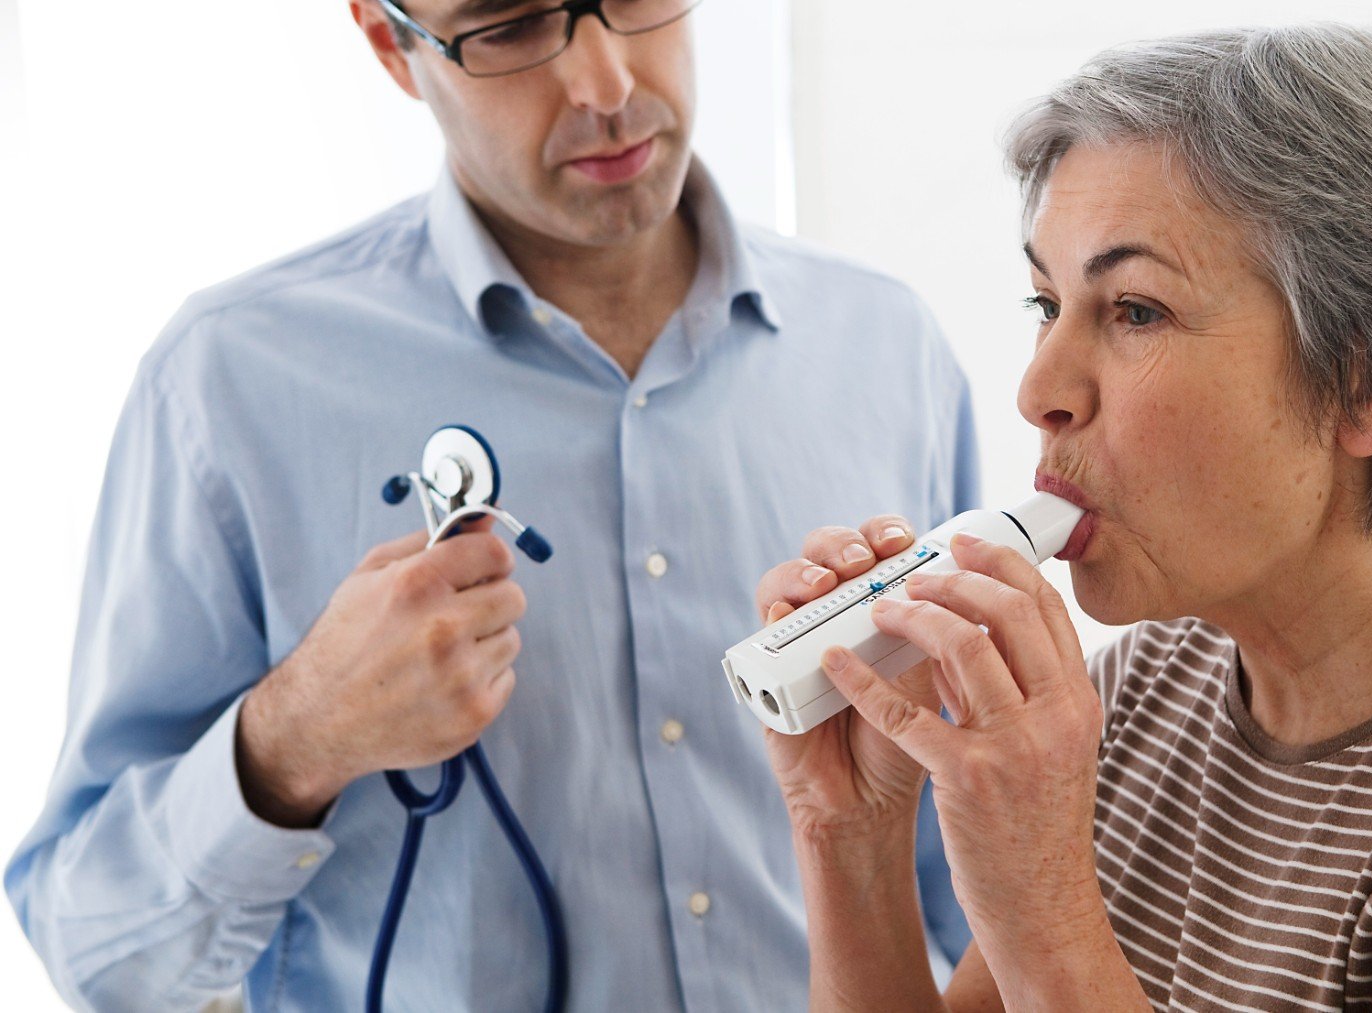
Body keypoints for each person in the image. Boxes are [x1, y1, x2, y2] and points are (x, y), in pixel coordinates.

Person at [756, 24, 1372, 1011]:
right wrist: (851, 835)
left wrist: (1046, 901)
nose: (1039, 388)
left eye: (1135, 311)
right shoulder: (1153, 685)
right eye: (1045, 305)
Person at [7, 0, 975, 1007]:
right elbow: (100, 957)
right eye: (510, 27)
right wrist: (296, 738)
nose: (607, 86)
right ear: (391, 44)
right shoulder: (225, 384)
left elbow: (967, 877)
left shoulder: (887, 345)